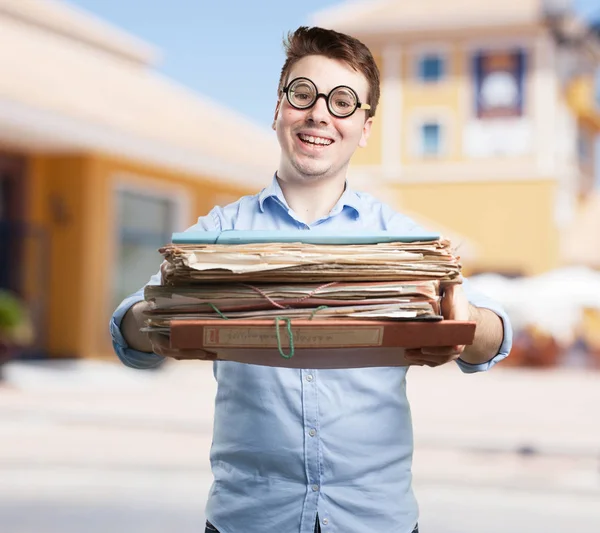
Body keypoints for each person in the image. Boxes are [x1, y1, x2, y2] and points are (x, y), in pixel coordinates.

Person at [110, 26, 512, 533]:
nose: (319, 113)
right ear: (278, 107)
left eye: (343, 102)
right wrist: (160, 322)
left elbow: (495, 336)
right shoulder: (215, 234)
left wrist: (468, 323)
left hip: (375, 521)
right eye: (303, 94)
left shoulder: (405, 242)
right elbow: (127, 329)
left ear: (365, 127)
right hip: (249, 520)